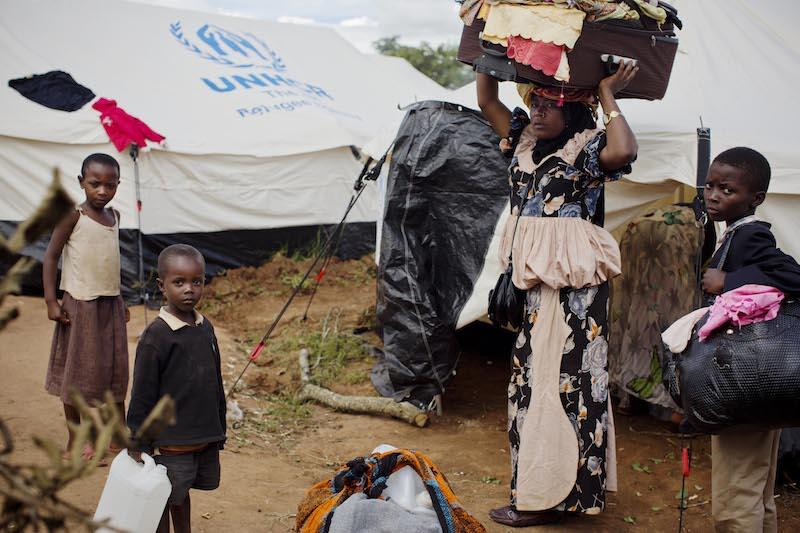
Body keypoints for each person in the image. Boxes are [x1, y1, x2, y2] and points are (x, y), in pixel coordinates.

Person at [477, 61, 639, 527]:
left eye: (553, 104)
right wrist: (486, 53)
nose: (540, 111)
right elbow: (487, 99)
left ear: (575, 110)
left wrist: (607, 93)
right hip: (532, 288)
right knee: (530, 386)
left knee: (564, 386)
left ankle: (543, 498)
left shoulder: (586, 148)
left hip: (574, 294)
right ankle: (546, 490)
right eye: (537, 102)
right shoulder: (523, 141)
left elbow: (624, 149)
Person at [700, 147, 800, 533]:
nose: (713, 195)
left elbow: (794, 276)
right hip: (757, 378)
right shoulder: (732, 233)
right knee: (757, 488)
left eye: (727, 190)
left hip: (744, 379)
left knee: (736, 493)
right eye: (710, 186)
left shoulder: (750, 235)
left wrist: (729, 280)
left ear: (755, 198)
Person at [127, 244, 226, 533]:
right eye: (179, 282)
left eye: (197, 281)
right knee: (162, 497)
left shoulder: (204, 327)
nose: (189, 290)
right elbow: (142, 393)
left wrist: (219, 428)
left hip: (202, 437)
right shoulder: (156, 336)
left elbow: (215, 381)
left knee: (181, 495)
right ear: (162, 285)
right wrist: (138, 440)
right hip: (171, 443)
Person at [43, 153, 129, 460]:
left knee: (115, 372)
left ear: (118, 185)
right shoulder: (73, 216)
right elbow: (51, 256)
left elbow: (111, 262)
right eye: (95, 184)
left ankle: (119, 436)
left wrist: (121, 299)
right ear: (82, 182)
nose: (103, 191)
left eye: (110, 185)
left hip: (110, 305)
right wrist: (51, 301)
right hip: (80, 306)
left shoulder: (115, 217)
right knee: (78, 373)